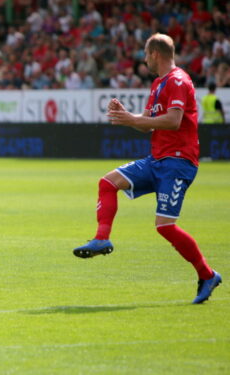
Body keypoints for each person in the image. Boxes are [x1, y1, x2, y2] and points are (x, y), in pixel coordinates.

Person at [74, 34, 221, 304]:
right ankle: (101, 239)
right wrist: (127, 116)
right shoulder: (158, 83)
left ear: (155, 53)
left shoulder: (178, 80)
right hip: (156, 159)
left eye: (145, 53)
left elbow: (175, 121)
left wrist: (133, 118)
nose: (143, 59)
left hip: (178, 162)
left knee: (165, 226)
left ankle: (207, 274)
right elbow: (149, 124)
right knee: (107, 183)